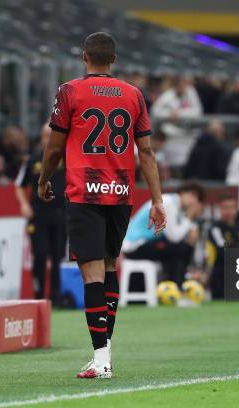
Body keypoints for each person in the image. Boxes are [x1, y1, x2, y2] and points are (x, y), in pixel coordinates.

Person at [37, 32, 166, 379]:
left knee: (91, 273)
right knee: (110, 267)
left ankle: (102, 359)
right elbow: (147, 152)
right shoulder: (133, 94)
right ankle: (103, 354)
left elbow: (53, 148)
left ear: (84, 57)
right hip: (120, 192)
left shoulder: (70, 91)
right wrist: (156, 199)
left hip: (85, 191)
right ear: (114, 59)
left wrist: (44, 179)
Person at [15, 123, 67, 302]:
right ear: (41, 138)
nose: (49, 139)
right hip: (38, 214)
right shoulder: (33, 160)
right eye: (46, 136)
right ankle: (38, 294)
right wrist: (24, 205)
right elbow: (20, 186)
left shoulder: (67, 158)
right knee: (41, 254)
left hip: (61, 214)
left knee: (57, 255)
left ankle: (56, 295)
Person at [123, 182, 205, 286]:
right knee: (179, 248)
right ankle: (177, 288)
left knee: (179, 249)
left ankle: (173, 287)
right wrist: (190, 216)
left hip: (145, 243)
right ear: (182, 192)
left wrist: (191, 223)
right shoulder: (168, 203)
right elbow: (174, 237)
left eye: (197, 198)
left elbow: (181, 234)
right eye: (192, 195)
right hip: (135, 246)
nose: (193, 201)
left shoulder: (176, 207)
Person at [206, 194, 239, 299]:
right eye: (225, 207)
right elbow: (222, 250)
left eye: (231, 207)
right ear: (219, 209)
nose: (228, 211)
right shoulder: (215, 228)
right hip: (221, 275)